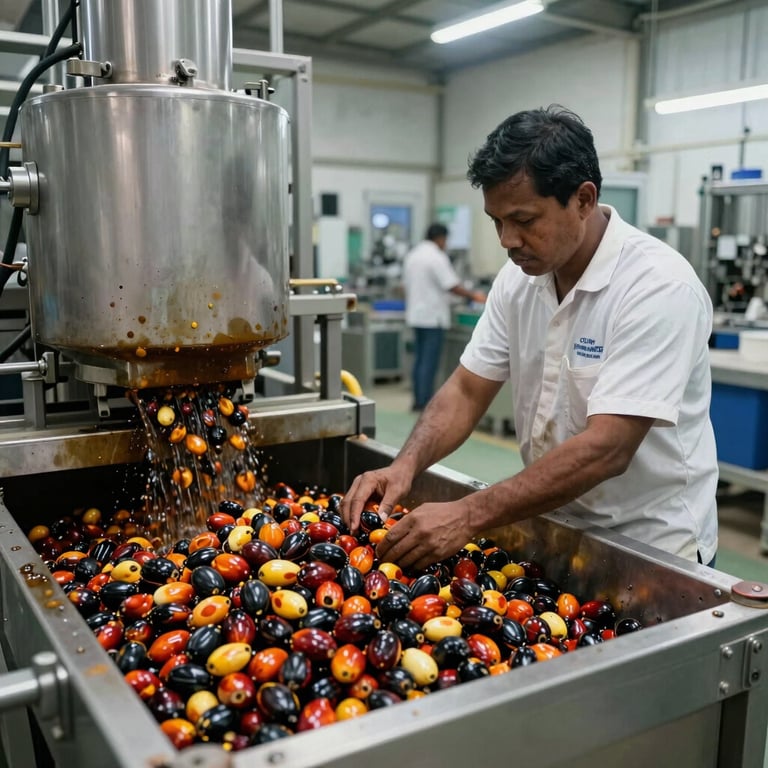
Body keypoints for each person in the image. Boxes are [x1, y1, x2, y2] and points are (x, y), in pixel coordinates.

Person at [342, 105, 718, 571]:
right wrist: (404, 467)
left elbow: (608, 448)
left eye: (523, 219)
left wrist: (468, 514)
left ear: (583, 199)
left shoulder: (657, 287)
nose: (506, 239)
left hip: (650, 547)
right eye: (496, 220)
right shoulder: (518, 279)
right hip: (555, 524)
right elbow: (466, 389)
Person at [403, 223, 486, 411]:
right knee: (428, 362)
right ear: (440, 238)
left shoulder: (413, 255)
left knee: (419, 360)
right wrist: (475, 296)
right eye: (445, 240)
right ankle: (425, 402)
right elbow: (451, 285)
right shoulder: (436, 256)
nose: (445, 244)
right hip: (432, 318)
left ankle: (417, 400)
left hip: (416, 315)